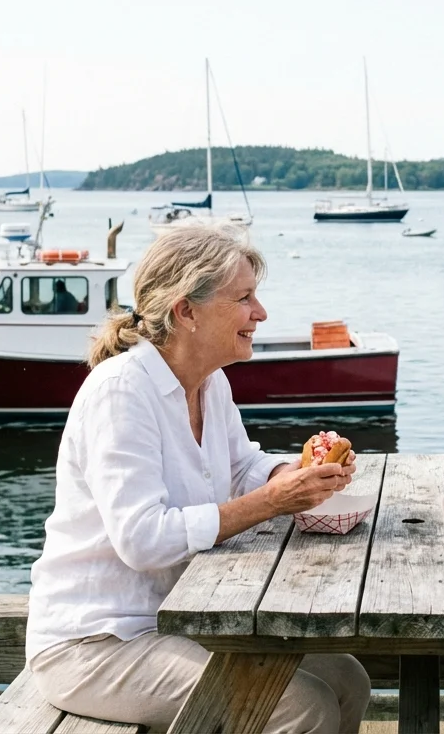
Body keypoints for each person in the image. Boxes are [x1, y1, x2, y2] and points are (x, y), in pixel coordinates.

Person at [27, 226, 371, 733]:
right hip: (96, 642)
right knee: (300, 706)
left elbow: (239, 468)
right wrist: (272, 502)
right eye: (244, 298)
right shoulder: (121, 392)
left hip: (177, 622)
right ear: (186, 311)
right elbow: (142, 540)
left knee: (347, 677)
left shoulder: (209, 382)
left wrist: (295, 475)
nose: (261, 312)